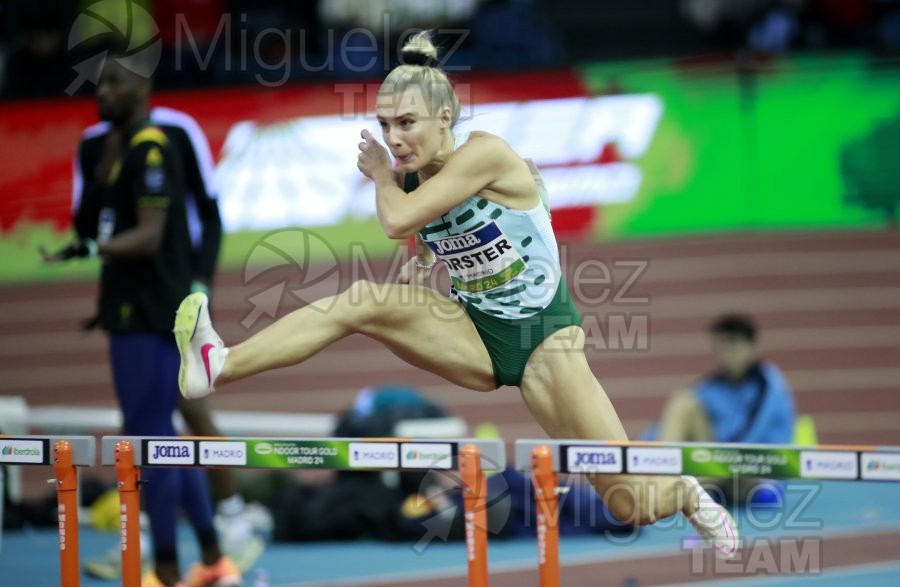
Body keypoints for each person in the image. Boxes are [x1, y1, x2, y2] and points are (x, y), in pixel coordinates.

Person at [174, 31, 740, 559]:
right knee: (363, 301)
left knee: (627, 504)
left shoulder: (483, 154)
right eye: (385, 124)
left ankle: (686, 493)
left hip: (545, 341)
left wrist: (380, 177)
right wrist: (421, 264)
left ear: (445, 117)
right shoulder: (419, 173)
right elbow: (422, 229)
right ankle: (219, 363)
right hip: (475, 332)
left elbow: (398, 219)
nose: (393, 139)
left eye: (406, 124)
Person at [39, 51, 240, 587]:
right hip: (129, 307)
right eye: (99, 85)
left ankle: (171, 570)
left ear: (142, 90)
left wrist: (197, 284)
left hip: (155, 308)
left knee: (150, 440)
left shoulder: (155, 146)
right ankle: (214, 558)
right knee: (163, 435)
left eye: (115, 84)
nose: (102, 94)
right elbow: (91, 223)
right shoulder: (107, 147)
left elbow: (149, 236)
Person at [649, 313, 796, 504]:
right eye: (722, 346)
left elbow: (745, 442)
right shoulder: (712, 387)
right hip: (719, 471)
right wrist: (645, 452)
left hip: (756, 472)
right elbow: (670, 426)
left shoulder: (768, 384)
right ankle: (662, 472)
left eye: (734, 344)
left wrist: (706, 465)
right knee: (682, 402)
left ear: (752, 346)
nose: (728, 353)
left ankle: (671, 490)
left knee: (725, 464)